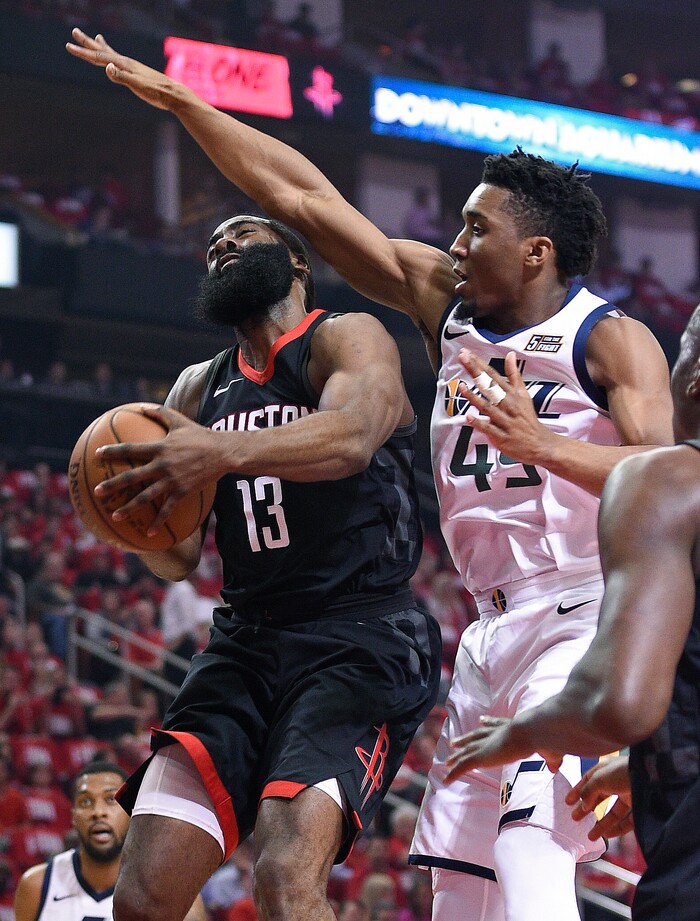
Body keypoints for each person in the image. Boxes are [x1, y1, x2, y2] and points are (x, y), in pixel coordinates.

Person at [65, 30, 673, 921]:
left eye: (476, 226)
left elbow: (669, 479)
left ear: (537, 251)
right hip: (485, 630)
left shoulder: (608, 338)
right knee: (456, 886)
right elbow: (301, 196)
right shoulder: (444, 306)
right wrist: (186, 103)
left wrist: (546, 447)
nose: (455, 241)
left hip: (582, 609)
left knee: (528, 845)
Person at [441, 302, 700, 920]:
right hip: (505, 621)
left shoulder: (668, 480)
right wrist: (642, 764)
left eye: (682, 351)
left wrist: (522, 732)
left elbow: (620, 703)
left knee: (529, 852)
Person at [14, 761, 209, 921]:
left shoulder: (174, 892)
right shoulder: (37, 885)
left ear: (130, 812)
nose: (98, 813)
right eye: (86, 802)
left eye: (110, 800)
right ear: (73, 816)